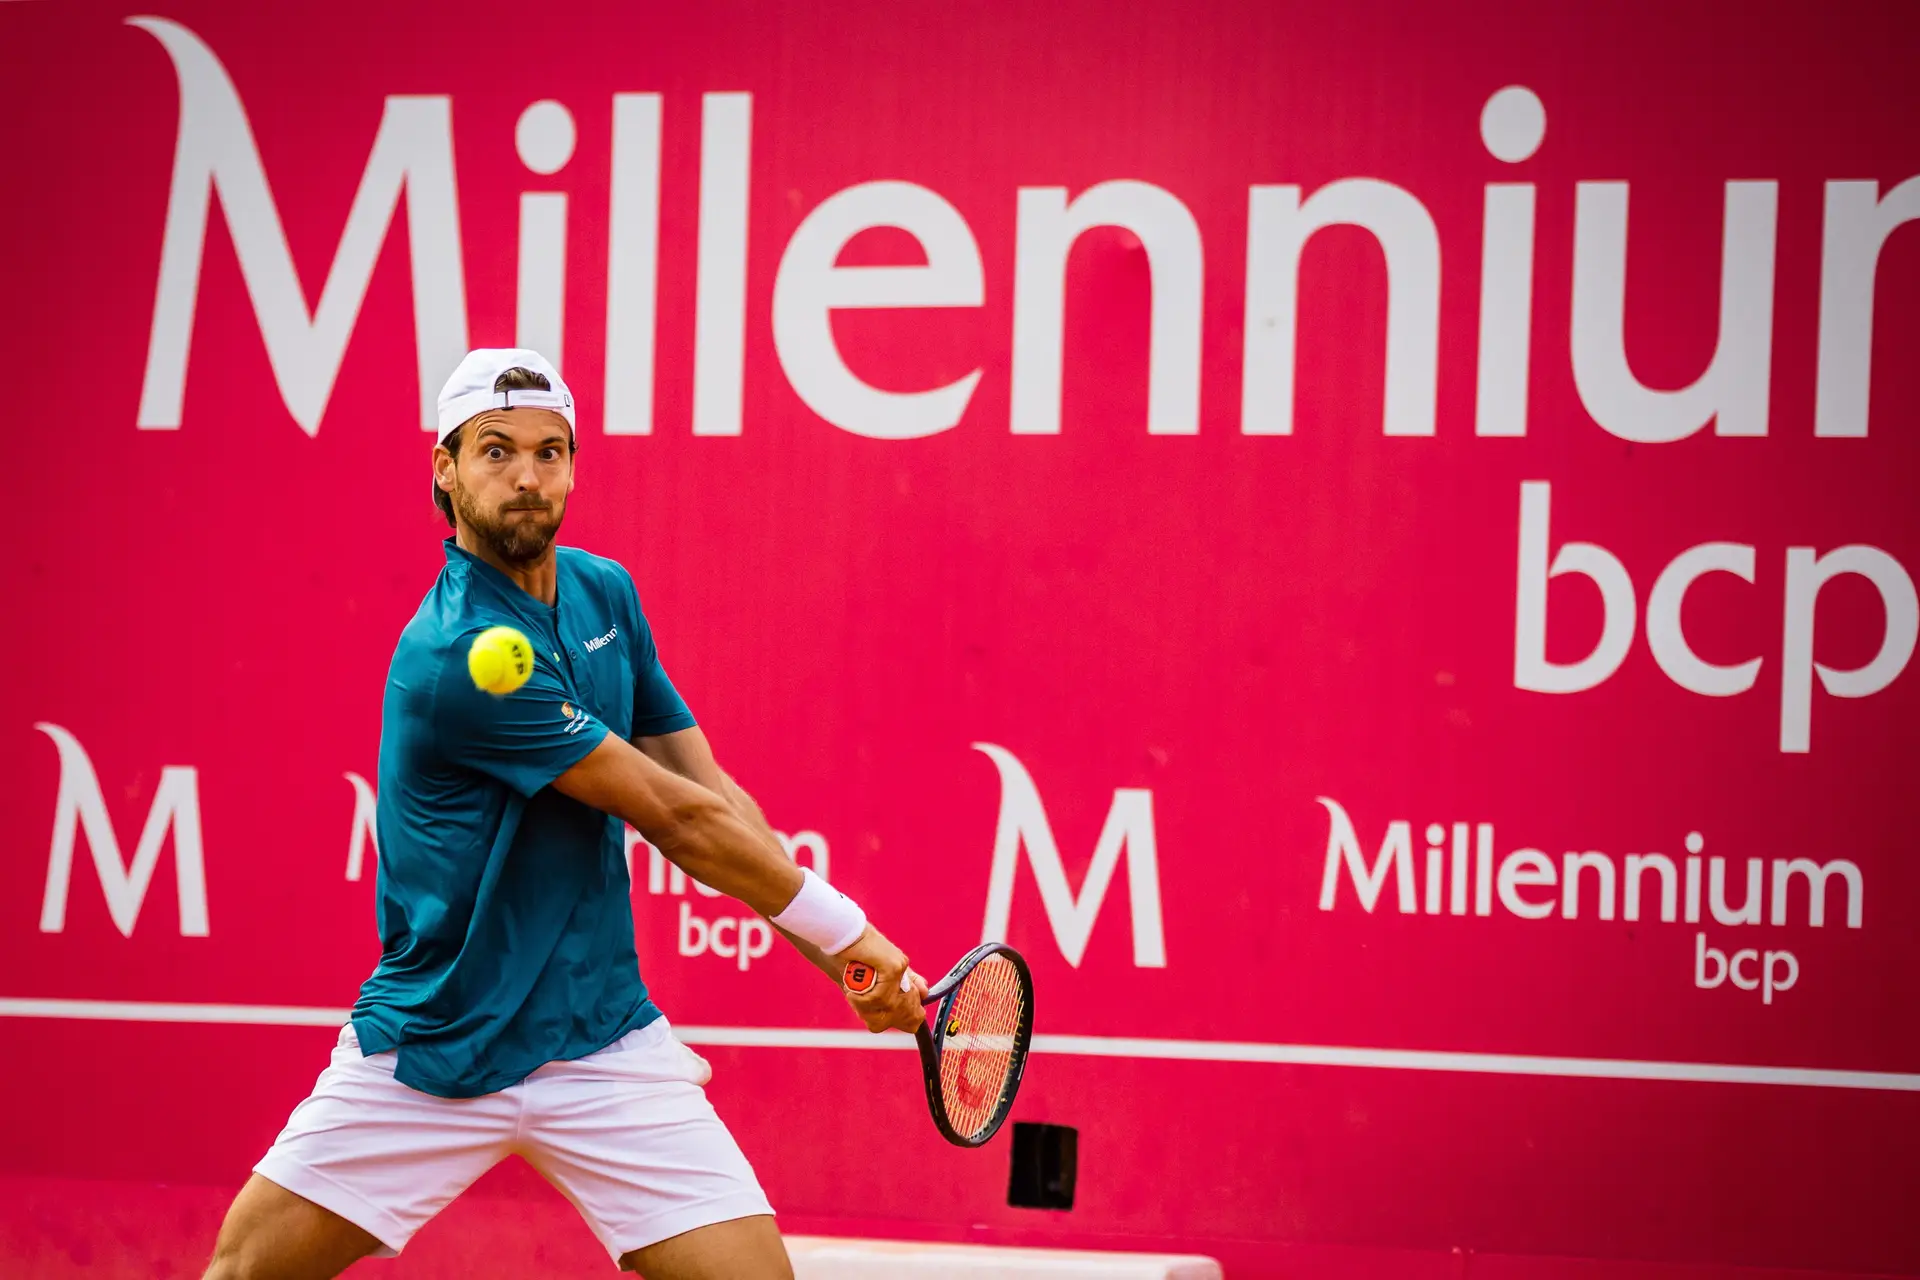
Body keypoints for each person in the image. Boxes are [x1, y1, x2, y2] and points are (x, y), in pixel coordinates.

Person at [201, 349, 926, 1280]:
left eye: (551, 452)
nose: (527, 477)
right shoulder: (459, 654)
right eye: (496, 451)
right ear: (445, 468)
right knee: (245, 1273)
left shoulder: (603, 593)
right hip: (439, 1044)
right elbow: (675, 817)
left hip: (601, 1040)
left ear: (575, 467)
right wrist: (849, 935)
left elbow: (710, 792)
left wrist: (840, 958)